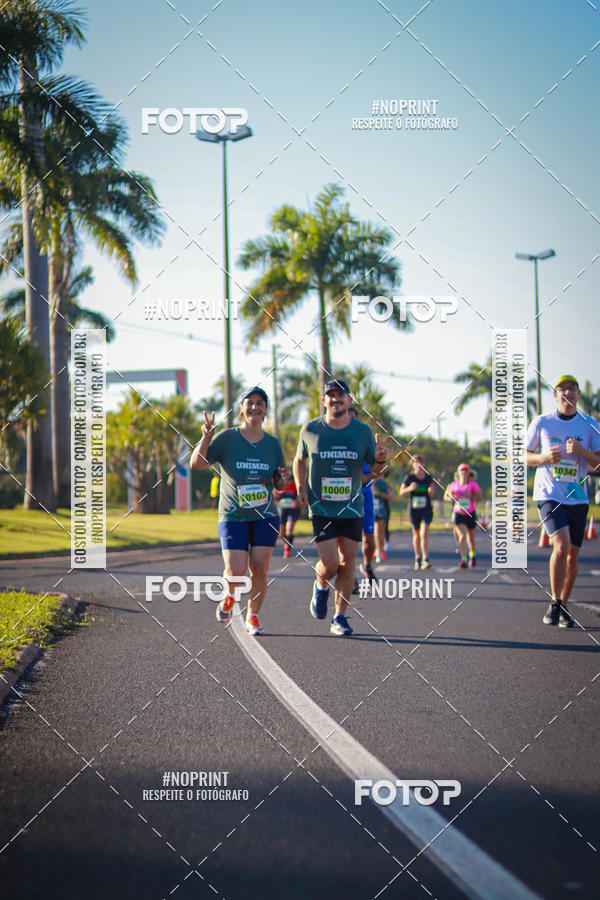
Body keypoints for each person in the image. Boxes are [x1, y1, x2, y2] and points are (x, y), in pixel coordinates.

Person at [294, 379, 390, 636]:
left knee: (348, 563)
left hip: (352, 508)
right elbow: (299, 460)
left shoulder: (362, 432)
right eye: (331, 395)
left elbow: (374, 472)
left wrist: (381, 460)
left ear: (349, 400)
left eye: (341, 395)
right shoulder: (311, 429)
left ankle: (340, 617)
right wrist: (301, 487)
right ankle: (321, 585)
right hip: (322, 508)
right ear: (323, 400)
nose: (336, 399)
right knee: (330, 564)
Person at [190, 387, 289, 636]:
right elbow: (197, 464)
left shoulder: (272, 444)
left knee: (260, 568)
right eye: (250, 402)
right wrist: (207, 437)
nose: (255, 407)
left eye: (260, 403)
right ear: (241, 409)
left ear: (266, 410)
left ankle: (253, 616)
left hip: (265, 516)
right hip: (233, 515)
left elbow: (279, 483)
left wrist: (283, 479)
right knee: (236, 571)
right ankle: (230, 596)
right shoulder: (227, 438)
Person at [527, 375, 600, 627]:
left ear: (578, 394)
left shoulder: (589, 425)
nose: (567, 392)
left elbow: (598, 463)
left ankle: (563, 605)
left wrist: (582, 452)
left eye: (572, 388)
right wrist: (544, 458)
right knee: (561, 546)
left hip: (577, 497)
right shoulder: (542, 422)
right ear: (555, 395)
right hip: (549, 494)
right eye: (562, 389)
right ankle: (555, 602)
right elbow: (524, 456)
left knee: (573, 556)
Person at [348, 407, 376, 587]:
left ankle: (367, 565)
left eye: (353, 419)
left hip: (365, 495)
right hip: (345, 498)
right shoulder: (337, 442)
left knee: (369, 539)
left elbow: (378, 469)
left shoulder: (365, 442)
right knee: (347, 540)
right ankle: (350, 576)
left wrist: (367, 476)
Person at [399, 455, 435, 569]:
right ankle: (417, 558)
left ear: (424, 464)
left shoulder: (428, 477)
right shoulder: (409, 477)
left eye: (421, 463)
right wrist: (410, 488)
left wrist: (430, 490)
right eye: (416, 463)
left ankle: (425, 559)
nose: (419, 465)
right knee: (416, 534)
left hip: (426, 509)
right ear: (413, 465)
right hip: (414, 510)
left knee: (424, 533)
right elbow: (401, 492)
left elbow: (432, 491)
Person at [444, 464, 482, 568]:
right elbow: (446, 496)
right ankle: (463, 559)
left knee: (471, 537)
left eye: (466, 470)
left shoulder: (473, 485)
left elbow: (479, 498)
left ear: (469, 473)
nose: (463, 472)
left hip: (470, 513)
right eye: (462, 470)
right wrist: (451, 498)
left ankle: (472, 555)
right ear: (458, 472)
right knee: (462, 535)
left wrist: (471, 496)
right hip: (458, 514)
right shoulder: (453, 485)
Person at [274, 475, 300, 558]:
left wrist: (296, 501)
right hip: (282, 509)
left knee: (289, 530)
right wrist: (276, 495)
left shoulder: (294, 485)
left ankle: (287, 549)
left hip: (293, 510)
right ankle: (286, 543)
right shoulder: (279, 487)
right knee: (281, 533)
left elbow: (299, 496)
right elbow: (275, 497)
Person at [373, 477, 394, 563]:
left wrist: (378, 492)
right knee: (372, 532)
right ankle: (376, 551)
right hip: (369, 510)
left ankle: (379, 550)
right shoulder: (364, 482)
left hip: (381, 510)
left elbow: (392, 497)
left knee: (380, 532)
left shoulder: (382, 483)